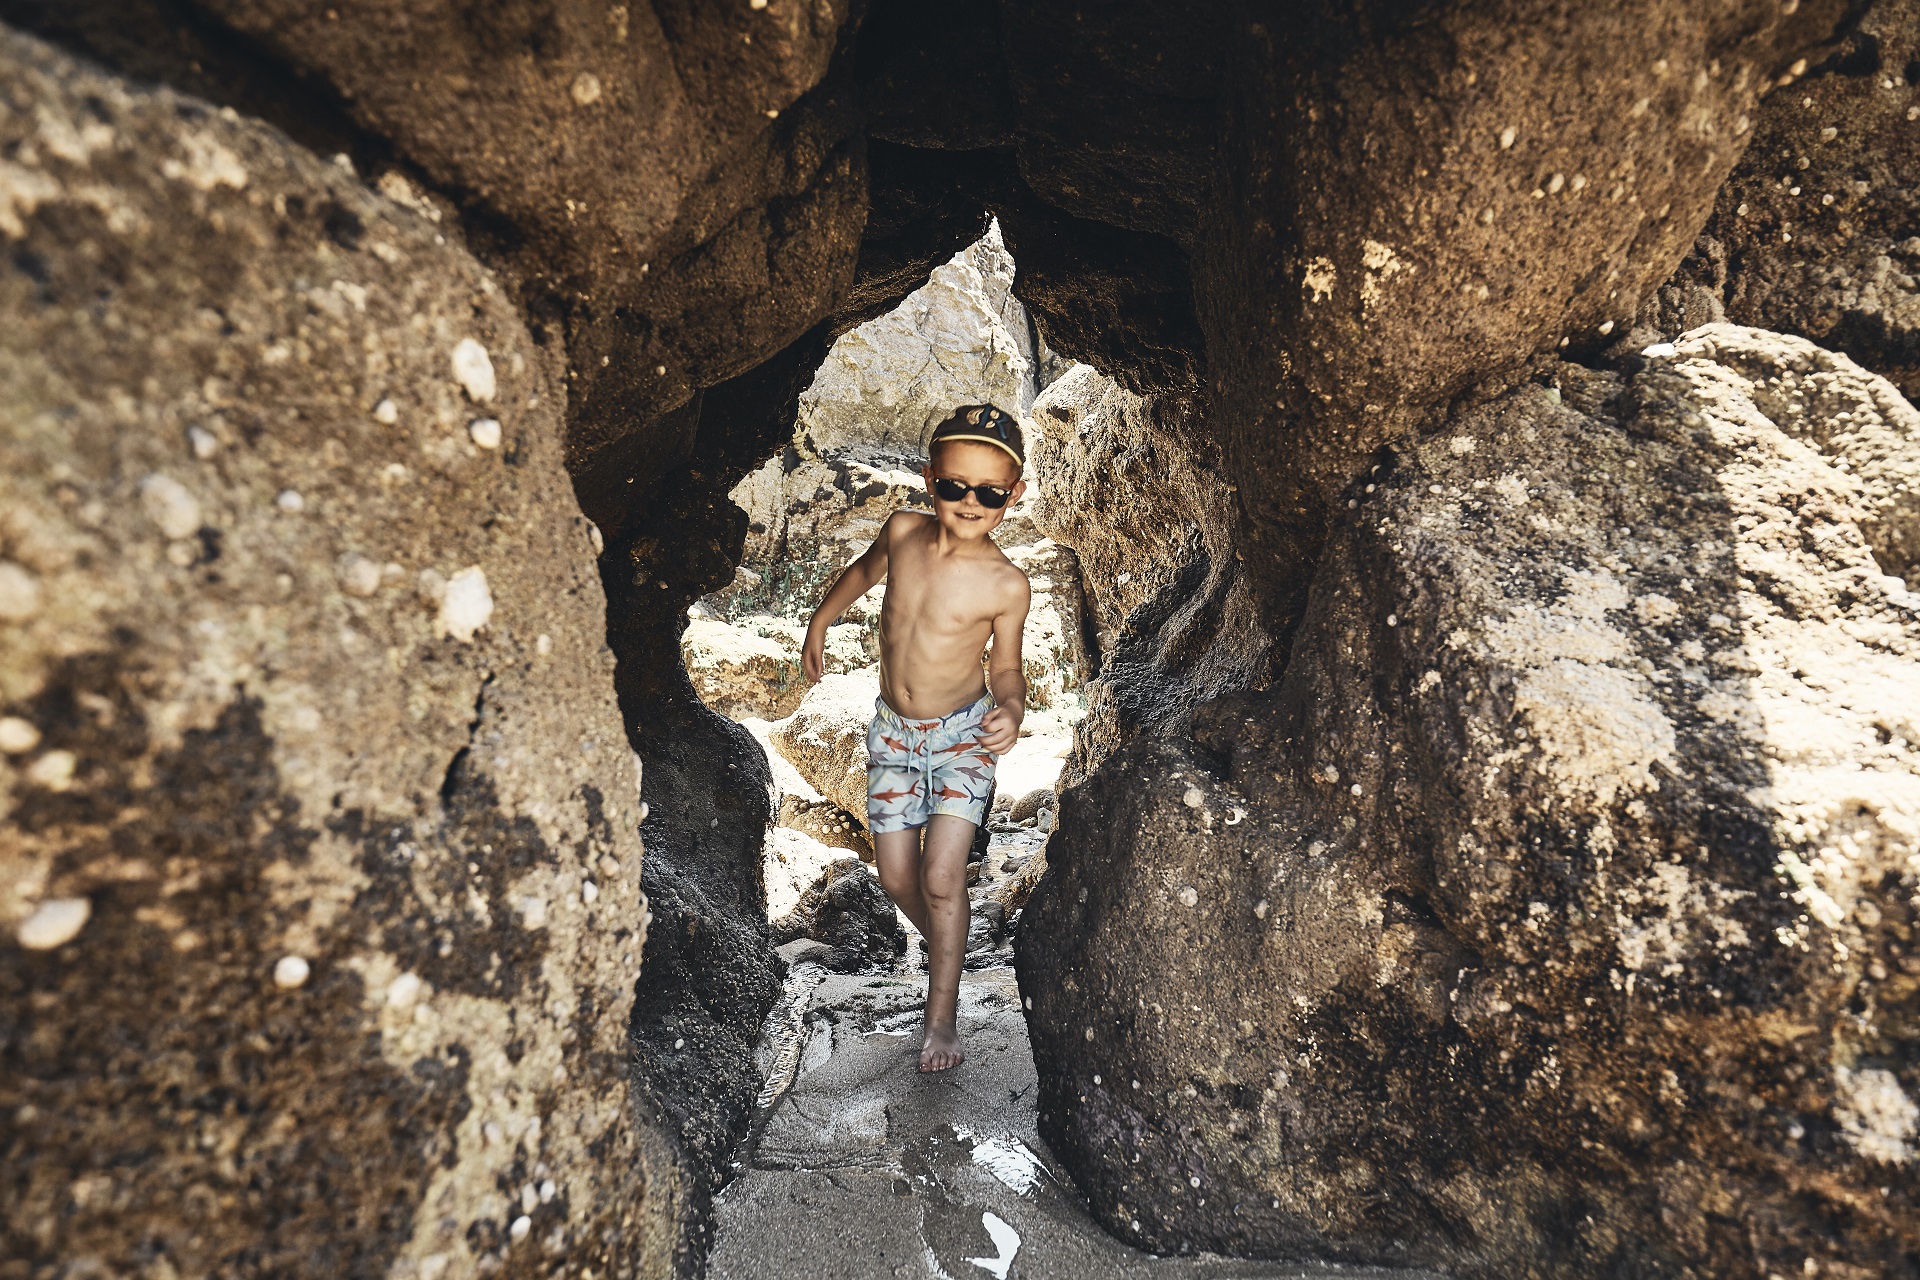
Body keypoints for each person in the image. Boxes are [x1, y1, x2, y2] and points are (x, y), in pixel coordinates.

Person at [801, 404, 1032, 1072]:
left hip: (963, 740)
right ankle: (949, 947)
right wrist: (822, 620)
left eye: (989, 494)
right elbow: (862, 571)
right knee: (897, 874)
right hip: (893, 736)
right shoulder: (902, 531)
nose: (969, 502)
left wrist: (1010, 713)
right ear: (930, 479)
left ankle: (941, 1021)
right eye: (954, 486)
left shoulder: (1006, 585)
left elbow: (1008, 670)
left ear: (1011, 497)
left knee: (939, 874)